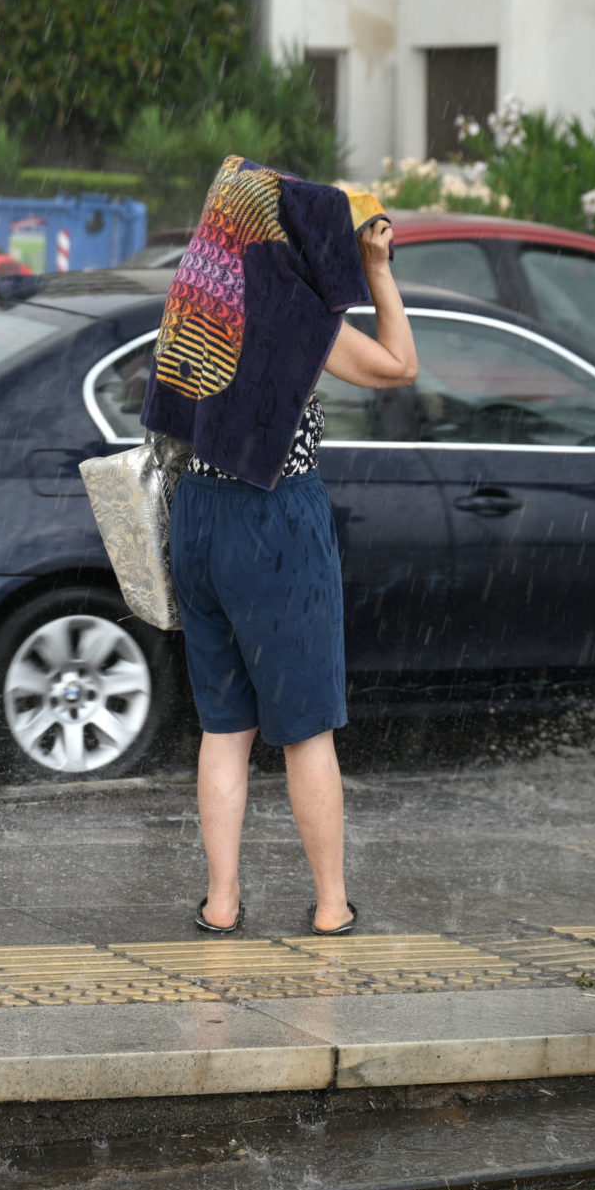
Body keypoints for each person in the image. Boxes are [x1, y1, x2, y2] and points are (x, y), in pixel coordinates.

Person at [144, 160, 419, 936]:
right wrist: (375, 268)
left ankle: (221, 902)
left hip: (197, 513)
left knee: (224, 726)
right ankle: (332, 906)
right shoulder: (297, 320)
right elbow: (399, 365)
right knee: (305, 730)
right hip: (276, 518)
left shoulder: (197, 299)